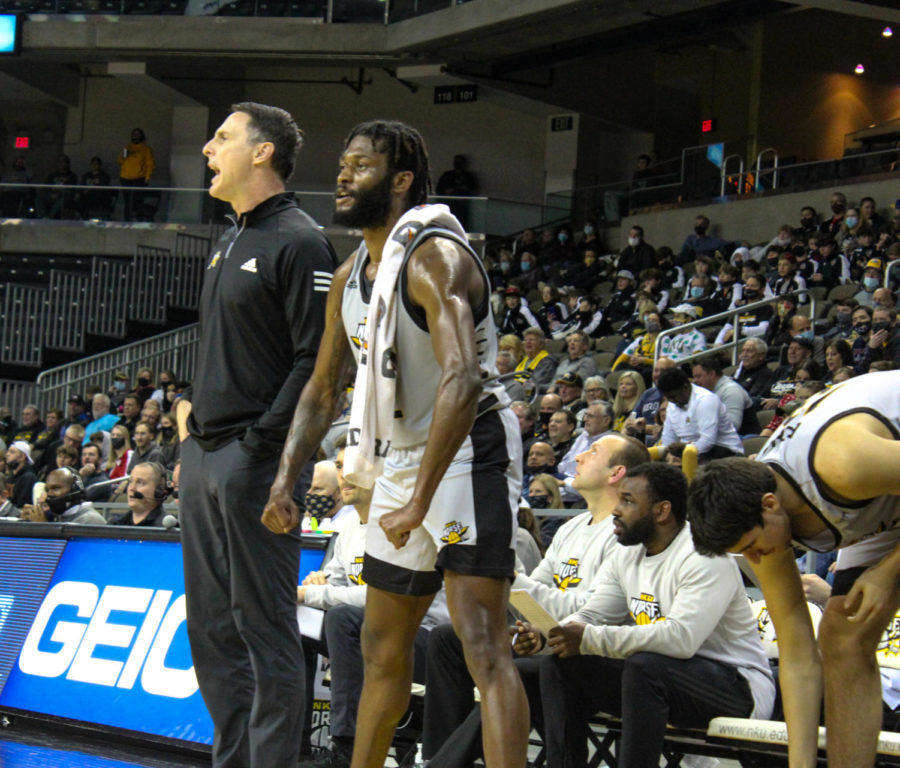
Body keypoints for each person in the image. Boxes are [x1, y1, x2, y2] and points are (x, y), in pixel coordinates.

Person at [261, 119, 528, 768]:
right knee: (382, 647)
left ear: (401, 180)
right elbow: (323, 387)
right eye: (343, 164)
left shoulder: (436, 256)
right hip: (401, 458)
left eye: (361, 165)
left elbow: (462, 378)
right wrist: (284, 478)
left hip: (469, 451)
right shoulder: (353, 274)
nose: (343, 176)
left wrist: (421, 500)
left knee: (483, 642)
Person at [179, 102, 339, 768]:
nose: (209, 149)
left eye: (222, 138)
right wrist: (192, 434)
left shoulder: (301, 240)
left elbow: (319, 360)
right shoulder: (226, 240)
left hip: (256, 459)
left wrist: (265, 449)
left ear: (263, 152)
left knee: (265, 629)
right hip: (206, 456)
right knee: (213, 632)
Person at [689, 370, 900, 768]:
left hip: (878, 471)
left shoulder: (842, 462)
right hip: (885, 494)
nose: (756, 560)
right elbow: (798, 654)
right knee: (842, 637)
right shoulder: (759, 514)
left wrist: (888, 572)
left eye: (751, 548)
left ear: (770, 505)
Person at [514, 462, 774, 768]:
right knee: (561, 663)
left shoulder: (704, 554)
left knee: (645, 666)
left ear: (662, 511)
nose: (616, 510)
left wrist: (587, 639)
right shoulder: (626, 553)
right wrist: (547, 638)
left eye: (628, 501)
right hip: (661, 680)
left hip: (736, 686)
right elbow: (593, 616)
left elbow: (681, 640)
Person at [422, 434, 651, 768]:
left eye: (593, 451)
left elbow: (595, 609)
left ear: (616, 473)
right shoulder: (571, 527)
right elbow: (532, 592)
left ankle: (445, 763)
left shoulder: (623, 534)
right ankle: (436, 753)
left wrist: (510, 574)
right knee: (448, 637)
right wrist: (527, 624)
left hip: (590, 654)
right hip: (547, 639)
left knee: (525, 669)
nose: (579, 457)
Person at [297, 441, 450, 767]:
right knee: (296, 622)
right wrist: (317, 582)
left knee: (340, 619)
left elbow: (381, 598)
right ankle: (297, 748)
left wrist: (310, 593)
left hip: (423, 639)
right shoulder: (348, 525)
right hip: (370, 634)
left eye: (353, 465)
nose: (345, 475)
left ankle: (346, 747)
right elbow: (336, 580)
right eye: (339, 467)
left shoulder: (402, 523)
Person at [657, 366, 744, 461]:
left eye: (674, 396)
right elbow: (668, 440)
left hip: (724, 450)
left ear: (685, 387)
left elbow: (708, 441)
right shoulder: (671, 405)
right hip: (690, 451)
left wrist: (683, 456)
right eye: (668, 398)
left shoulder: (706, 400)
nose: (672, 401)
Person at [20, 466, 106, 524]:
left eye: (55, 488)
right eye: (47, 490)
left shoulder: (91, 520)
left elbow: (71, 551)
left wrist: (43, 527)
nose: (49, 494)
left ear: (74, 490)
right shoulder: (59, 517)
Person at [111, 461, 169, 526]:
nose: (131, 488)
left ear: (158, 491)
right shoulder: (115, 524)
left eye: (140, 482)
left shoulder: (165, 528)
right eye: (130, 481)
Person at [117, 128, 155, 221]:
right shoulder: (128, 147)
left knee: (138, 201)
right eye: (134, 134)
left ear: (142, 136)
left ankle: (139, 219)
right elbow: (119, 161)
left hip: (139, 178)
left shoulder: (146, 149)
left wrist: (148, 177)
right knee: (127, 201)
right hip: (125, 177)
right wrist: (125, 155)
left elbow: (150, 164)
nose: (135, 136)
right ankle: (127, 220)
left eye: (138, 134)